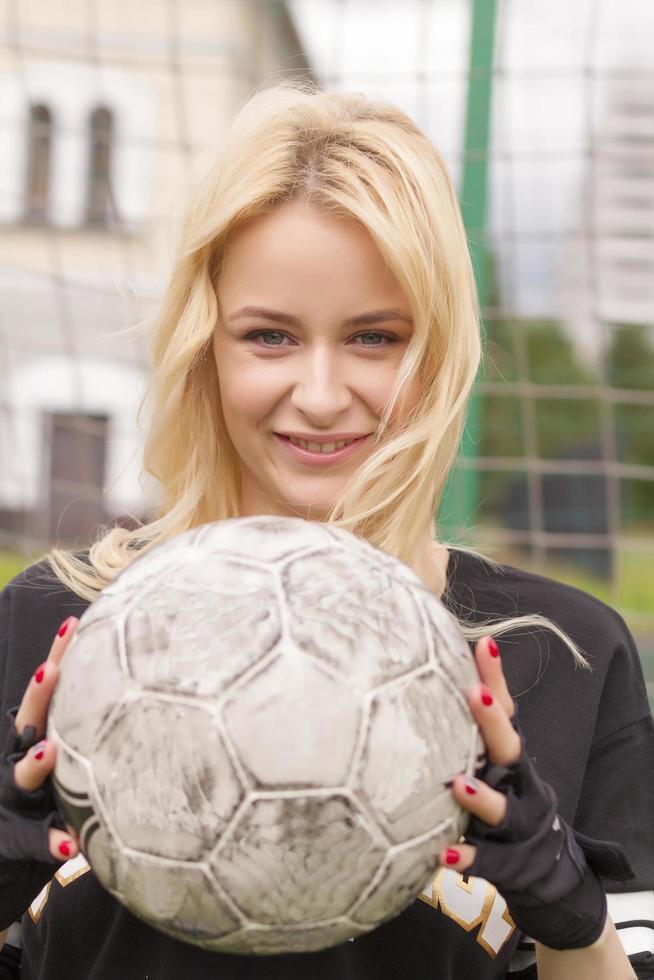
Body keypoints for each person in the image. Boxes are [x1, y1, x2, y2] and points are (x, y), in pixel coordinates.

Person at [1, 80, 653, 980]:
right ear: (206, 347)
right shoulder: (55, 631)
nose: (317, 393)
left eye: (375, 337)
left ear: (440, 349)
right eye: (268, 336)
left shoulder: (572, 658)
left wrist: (577, 924)